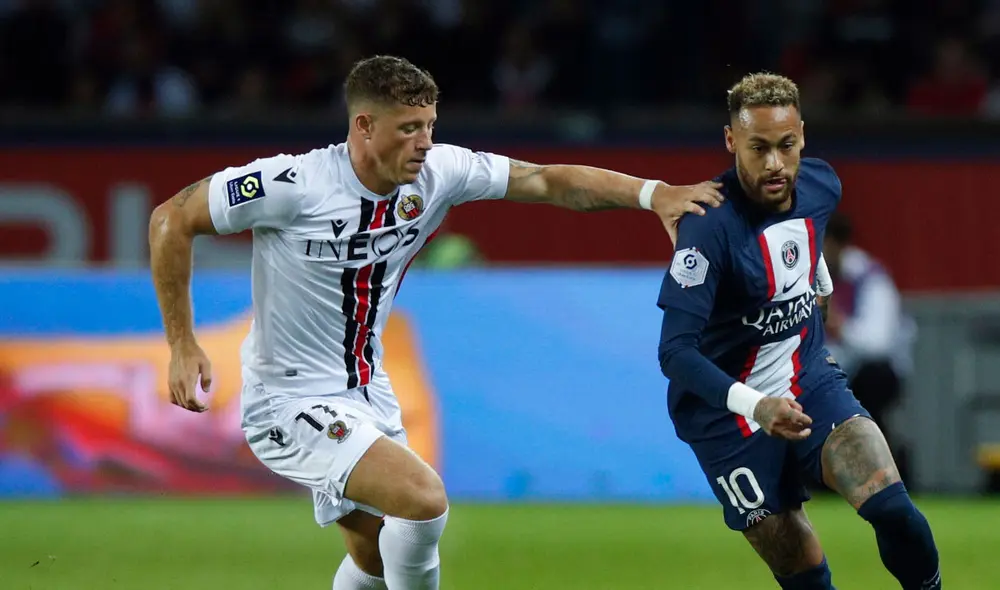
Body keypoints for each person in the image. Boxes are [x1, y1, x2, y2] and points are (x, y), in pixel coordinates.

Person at [147, 54, 724, 590]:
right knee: (422, 500)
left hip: (368, 390)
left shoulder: (440, 172)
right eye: (409, 129)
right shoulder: (292, 184)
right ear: (364, 126)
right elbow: (171, 219)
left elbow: (547, 180)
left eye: (429, 125)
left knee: (374, 558)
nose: (425, 142)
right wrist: (182, 342)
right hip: (287, 399)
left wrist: (654, 194)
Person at [656, 72, 941, 589]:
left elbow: (807, 243)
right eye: (758, 148)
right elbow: (675, 352)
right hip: (728, 418)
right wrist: (757, 406)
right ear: (731, 141)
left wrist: (819, 282)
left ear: (802, 136)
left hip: (808, 381)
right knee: (803, 568)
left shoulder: (821, 185)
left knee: (892, 507)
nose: (774, 163)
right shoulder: (706, 228)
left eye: (785, 146)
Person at [822, 211, 915, 481]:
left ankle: (883, 471)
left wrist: (838, 325)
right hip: (826, 372)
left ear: (837, 244)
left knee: (874, 378)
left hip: (869, 375)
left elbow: (877, 344)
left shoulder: (871, 279)